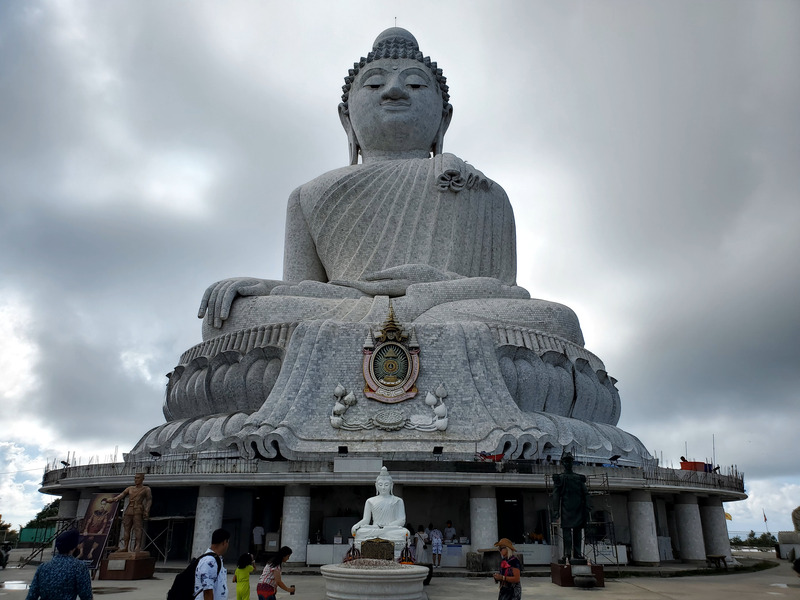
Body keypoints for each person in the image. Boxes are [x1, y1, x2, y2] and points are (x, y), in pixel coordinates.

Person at [26, 529, 92, 600]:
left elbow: (32, 595)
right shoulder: (79, 567)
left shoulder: (43, 567)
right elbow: (86, 596)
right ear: (74, 547)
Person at [351, 467, 410, 545]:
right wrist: (356, 526)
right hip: (374, 529)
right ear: (376, 485)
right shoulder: (370, 501)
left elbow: (402, 520)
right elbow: (366, 520)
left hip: (390, 529)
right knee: (360, 532)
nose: (383, 488)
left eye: (386, 485)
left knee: (405, 533)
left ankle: (380, 536)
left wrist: (387, 527)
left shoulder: (398, 500)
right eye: (380, 484)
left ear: (391, 485)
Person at [551, 452, 590, 564]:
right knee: (567, 533)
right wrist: (555, 510)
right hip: (566, 509)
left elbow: (585, 493)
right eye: (566, 461)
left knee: (578, 533)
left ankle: (577, 553)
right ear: (563, 463)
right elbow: (556, 495)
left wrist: (587, 507)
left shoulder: (578, 478)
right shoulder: (560, 478)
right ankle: (567, 553)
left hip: (578, 508)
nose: (568, 463)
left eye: (570, 461)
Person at [109, 472, 152, 553]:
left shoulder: (146, 489)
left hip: (138, 509)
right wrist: (113, 499)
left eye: (138, 478)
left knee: (138, 528)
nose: (136, 479)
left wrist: (147, 510)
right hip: (129, 509)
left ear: (143, 479)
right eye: (135, 478)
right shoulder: (130, 488)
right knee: (126, 529)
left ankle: (138, 546)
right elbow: (121, 495)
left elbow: (149, 500)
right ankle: (125, 547)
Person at [194, 528, 229, 600]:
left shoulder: (216, 559)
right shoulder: (209, 561)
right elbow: (207, 591)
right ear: (224, 542)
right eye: (228, 542)